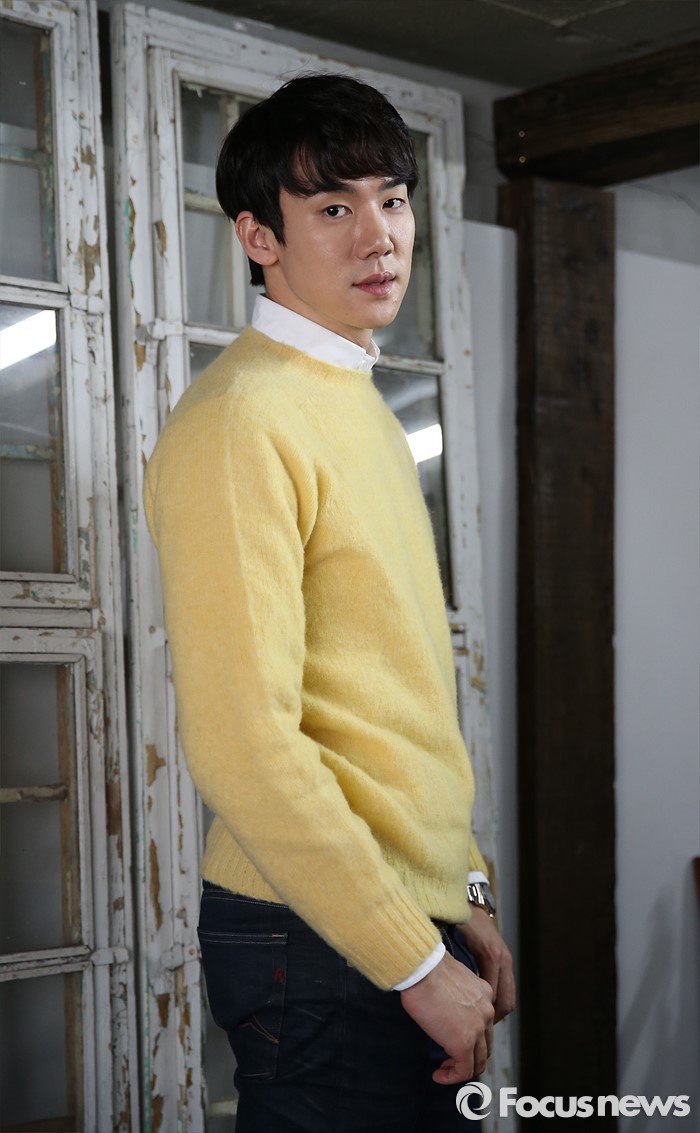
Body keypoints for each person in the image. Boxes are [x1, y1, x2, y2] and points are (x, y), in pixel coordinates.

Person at [144, 73, 514, 1133]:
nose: (379, 235)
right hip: (313, 936)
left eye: (392, 199)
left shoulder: (361, 406)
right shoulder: (241, 421)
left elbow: (400, 712)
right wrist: (412, 959)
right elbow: (243, 742)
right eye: (334, 207)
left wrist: (467, 900)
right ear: (259, 236)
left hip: (392, 918)